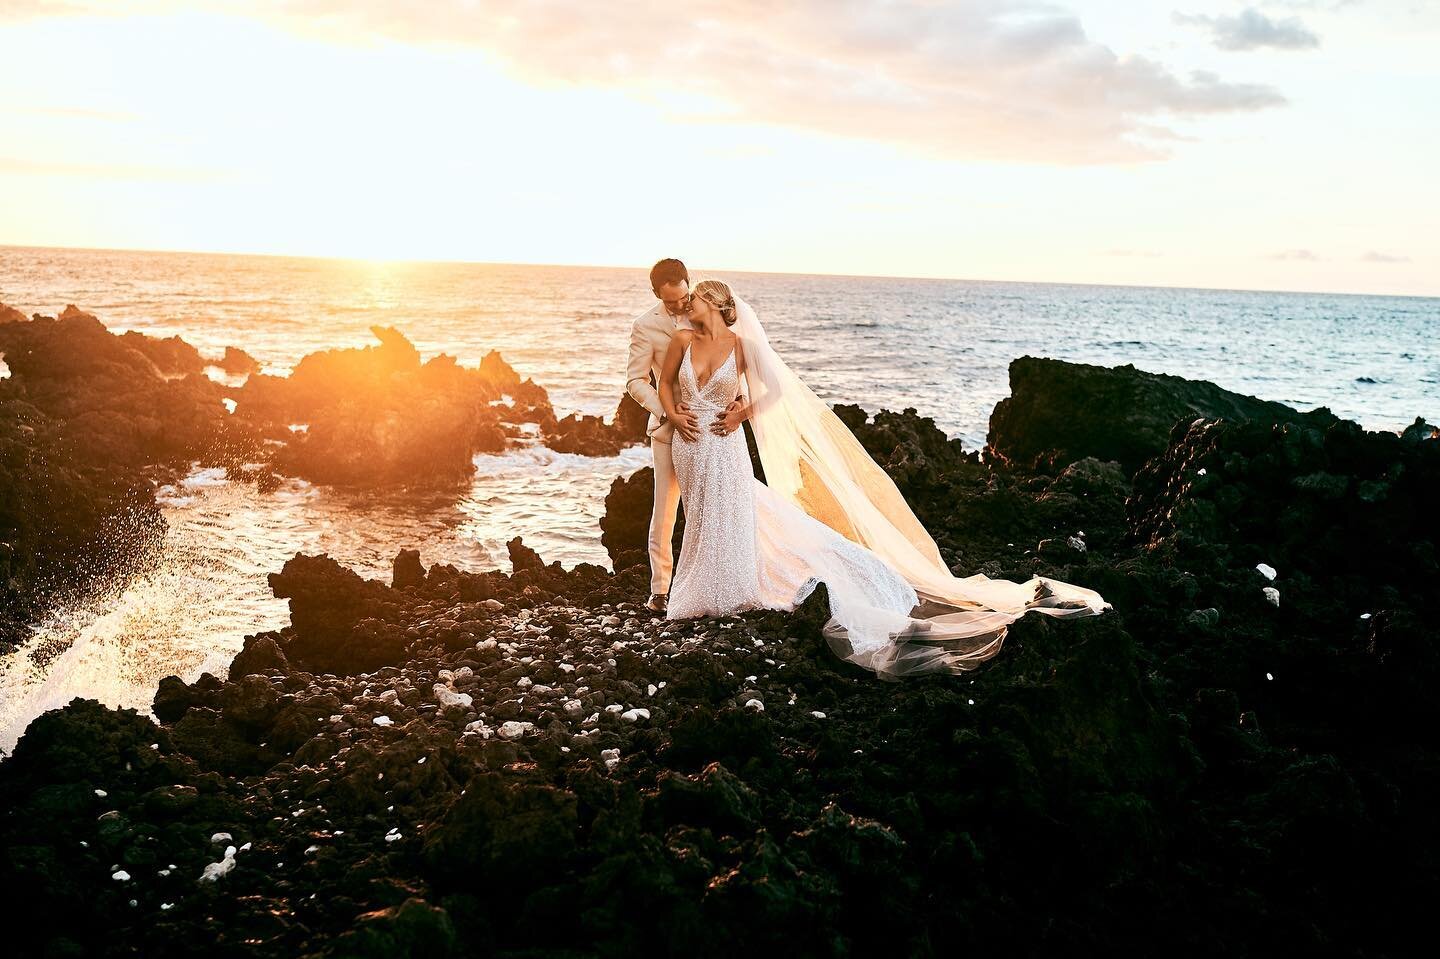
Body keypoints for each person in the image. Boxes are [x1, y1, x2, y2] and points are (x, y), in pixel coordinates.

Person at [655, 277, 1110, 680]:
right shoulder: (680, 339)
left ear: (714, 302)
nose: (687, 304)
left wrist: (742, 414)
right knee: (700, 512)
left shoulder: (741, 346)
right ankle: (702, 582)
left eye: (694, 297)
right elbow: (665, 384)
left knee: (731, 510)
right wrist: (675, 415)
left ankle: (729, 583)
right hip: (690, 442)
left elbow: (772, 391)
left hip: (725, 441)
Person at [624, 258, 739, 613]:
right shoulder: (645, 326)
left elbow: (737, 370)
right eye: (670, 301)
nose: (679, 306)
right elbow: (635, 381)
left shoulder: (707, 313)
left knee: (713, 509)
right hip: (670, 431)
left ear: (690, 284)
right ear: (656, 293)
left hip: (716, 433)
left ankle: (710, 585)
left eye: (683, 297)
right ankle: (660, 591)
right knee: (666, 509)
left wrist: (739, 406)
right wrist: (666, 413)